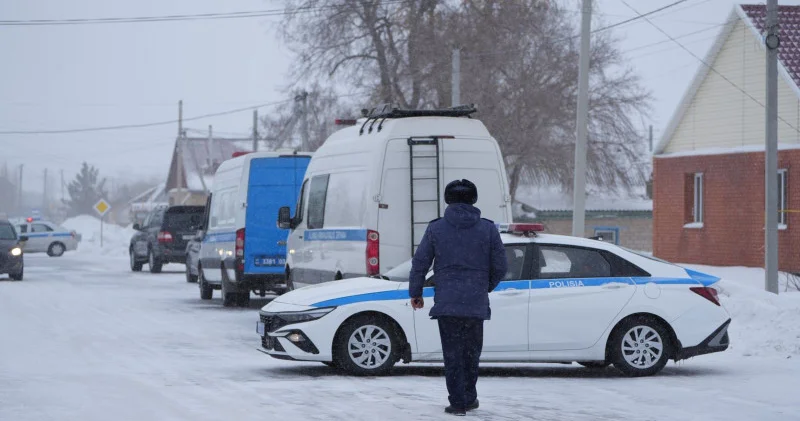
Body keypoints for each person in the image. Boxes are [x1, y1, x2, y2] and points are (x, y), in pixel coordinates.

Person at [408, 179, 508, 416]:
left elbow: (420, 263)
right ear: (474, 199)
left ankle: (458, 402)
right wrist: (485, 287)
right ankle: (470, 397)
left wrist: (416, 293)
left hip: (448, 303)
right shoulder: (488, 229)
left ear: (447, 199)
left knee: (452, 353)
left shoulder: (436, 228)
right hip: (475, 302)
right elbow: (501, 266)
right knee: (472, 353)